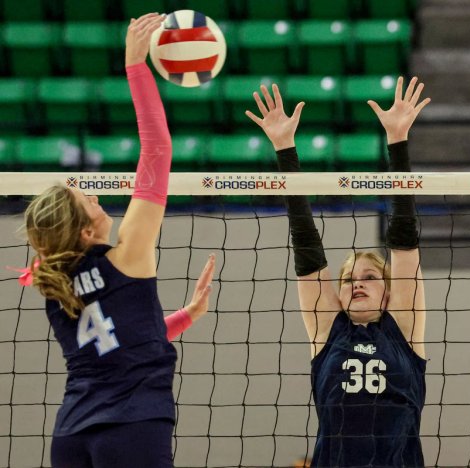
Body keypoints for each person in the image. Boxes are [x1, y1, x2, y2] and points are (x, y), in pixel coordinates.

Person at [22, 13, 214, 468]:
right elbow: (158, 151)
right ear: (86, 231)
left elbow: (122, 338)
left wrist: (186, 317)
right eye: (83, 197)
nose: (92, 192)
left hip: (72, 434)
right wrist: (135, 64)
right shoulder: (127, 255)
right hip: (132, 429)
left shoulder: (56, 285)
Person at [246, 76, 430, 467]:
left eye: (368, 277)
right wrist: (284, 149)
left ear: (388, 291)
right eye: (348, 279)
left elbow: (404, 241)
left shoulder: (405, 328)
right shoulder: (329, 329)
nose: (356, 284)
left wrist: (397, 140)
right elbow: (307, 246)